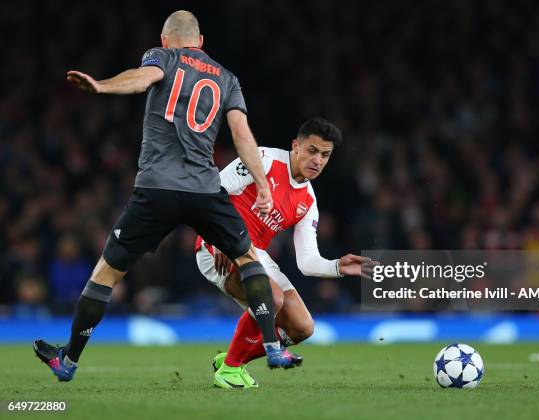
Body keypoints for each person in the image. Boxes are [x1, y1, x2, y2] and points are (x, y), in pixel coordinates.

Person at [33, 10, 294, 382]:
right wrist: (263, 184)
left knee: (106, 274)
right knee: (247, 258)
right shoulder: (227, 78)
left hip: (156, 188)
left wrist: (101, 86)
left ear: (165, 38)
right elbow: (241, 133)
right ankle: (272, 347)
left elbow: (143, 79)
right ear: (200, 42)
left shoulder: (163, 56)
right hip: (204, 188)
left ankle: (69, 360)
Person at [195, 117, 372, 388]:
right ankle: (230, 369)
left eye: (325, 155)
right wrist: (219, 238)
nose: (318, 160)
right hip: (217, 247)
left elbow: (307, 261)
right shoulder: (263, 159)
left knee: (303, 327)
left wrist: (338, 266)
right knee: (272, 298)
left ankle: (232, 357)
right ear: (296, 146)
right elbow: (213, 191)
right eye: (312, 151)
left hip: (256, 255)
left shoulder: (308, 201)